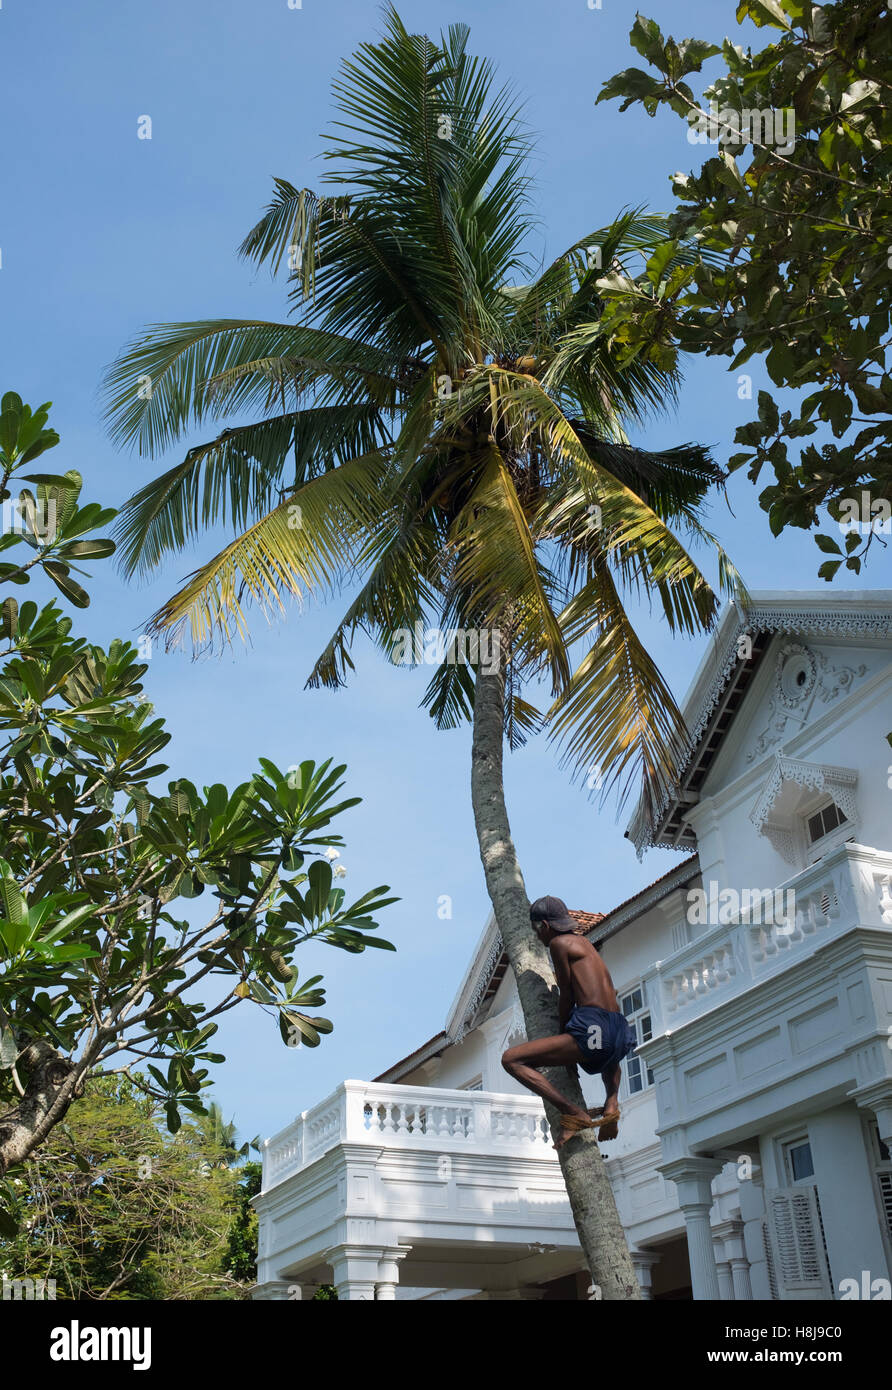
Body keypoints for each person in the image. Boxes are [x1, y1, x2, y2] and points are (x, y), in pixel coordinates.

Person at [501, 895, 638, 1151]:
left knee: (511, 1059)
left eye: (536, 930)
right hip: (618, 1027)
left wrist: (563, 1034)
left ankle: (573, 1112)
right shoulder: (586, 945)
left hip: (594, 1025)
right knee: (606, 1051)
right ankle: (612, 1103)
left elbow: (566, 993)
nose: (539, 938)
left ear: (545, 925)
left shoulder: (559, 944)